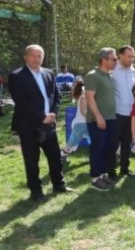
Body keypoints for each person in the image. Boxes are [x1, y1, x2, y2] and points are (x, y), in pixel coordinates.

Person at [8, 44, 70, 200]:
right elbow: (21, 102)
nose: (36, 59)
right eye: (33, 55)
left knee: (55, 156)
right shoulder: (16, 76)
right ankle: (36, 192)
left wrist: (54, 113)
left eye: (39, 56)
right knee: (31, 160)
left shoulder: (49, 73)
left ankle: (59, 185)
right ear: (26, 57)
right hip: (28, 126)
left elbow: (56, 96)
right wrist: (42, 116)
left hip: (48, 124)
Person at [84, 47, 119, 191]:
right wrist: (98, 117)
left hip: (111, 118)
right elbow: (89, 98)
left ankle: (102, 175)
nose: (116, 61)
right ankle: (95, 178)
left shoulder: (109, 75)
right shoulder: (93, 75)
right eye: (114, 59)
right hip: (97, 120)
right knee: (97, 149)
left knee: (106, 148)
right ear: (104, 60)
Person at [111, 45, 135, 178]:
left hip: (130, 114)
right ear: (120, 55)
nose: (131, 59)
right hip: (116, 113)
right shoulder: (112, 70)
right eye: (129, 56)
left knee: (126, 144)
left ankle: (124, 169)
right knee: (113, 143)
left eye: (133, 56)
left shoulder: (133, 71)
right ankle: (110, 171)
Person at [62, 81, 89, 157]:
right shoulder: (83, 97)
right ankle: (62, 155)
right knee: (70, 145)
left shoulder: (85, 97)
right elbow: (83, 112)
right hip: (81, 125)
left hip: (83, 124)